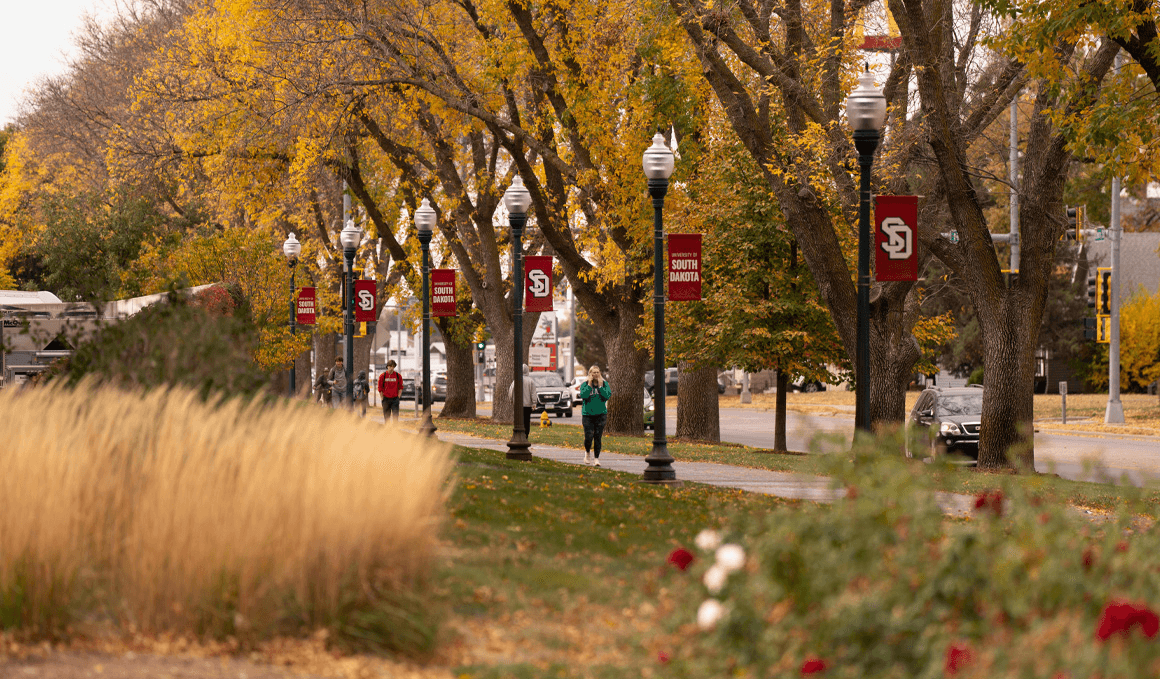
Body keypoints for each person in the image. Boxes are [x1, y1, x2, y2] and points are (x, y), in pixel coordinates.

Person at [580, 365, 611, 466]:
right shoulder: (585, 384)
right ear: (590, 374)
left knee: (598, 436)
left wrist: (601, 387)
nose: (595, 374)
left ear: (600, 373)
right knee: (588, 436)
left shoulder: (604, 384)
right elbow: (584, 396)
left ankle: (596, 458)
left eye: (597, 372)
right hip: (588, 415)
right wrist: (589, 385)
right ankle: (587, 453)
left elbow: (606, 396)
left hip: (601, 414)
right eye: (593, 372)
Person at [507, 363, 538, 434]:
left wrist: (511, 400)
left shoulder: (516, 380)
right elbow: (533, 393)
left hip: (518, 405)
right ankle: (526, 435)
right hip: (527, 405)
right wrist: (534, 403)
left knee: (518, 421)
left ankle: (518, 434)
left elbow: (511, 391)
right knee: (526, 421)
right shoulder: (531, 381)